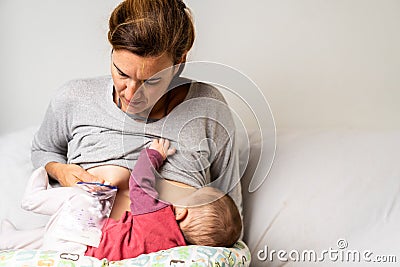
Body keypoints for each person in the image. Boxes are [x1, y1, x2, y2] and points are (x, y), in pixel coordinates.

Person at [31, 0, 242, 223]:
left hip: (178, 255)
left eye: (150, 81)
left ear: (179, 63)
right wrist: (60, 171)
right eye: (122, 73)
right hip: (81, 251)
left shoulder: (208, 107)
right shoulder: (74, 97)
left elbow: (230, 208)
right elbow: (43, 149)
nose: (131, 93)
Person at [0, 139, 242, 261]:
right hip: (69, 250)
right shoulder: (175, 249)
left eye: (189, 196)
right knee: (46, 237)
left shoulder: (159, 217)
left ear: (182, 213)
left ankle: (34, 199)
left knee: (84, 197)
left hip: (83, 239)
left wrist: (153, 154)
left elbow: (139, 182)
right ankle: (11, 240)